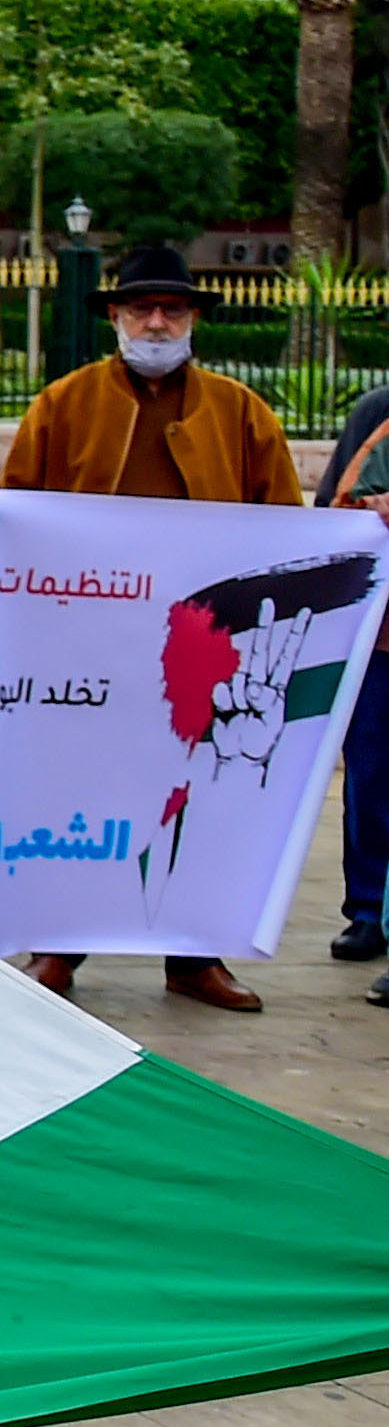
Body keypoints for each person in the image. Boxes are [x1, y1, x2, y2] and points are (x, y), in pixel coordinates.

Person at [0, 242, 296, 1011]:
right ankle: (57, 944)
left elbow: (286, 532)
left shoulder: (240, 414)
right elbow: (14, 519)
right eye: (140, 309)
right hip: (87, 649)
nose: (154, 323)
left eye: (170, 310)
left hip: (204, 652)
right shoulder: (62, 404)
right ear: (115, 318)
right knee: (76, 793)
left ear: (193, 319)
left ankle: (193, 956)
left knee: (200, 796)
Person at [322, 385, 389, 985]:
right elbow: (333, 510)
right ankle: (368, 910)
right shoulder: (378, 414)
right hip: (382, 641)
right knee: (370, 778)